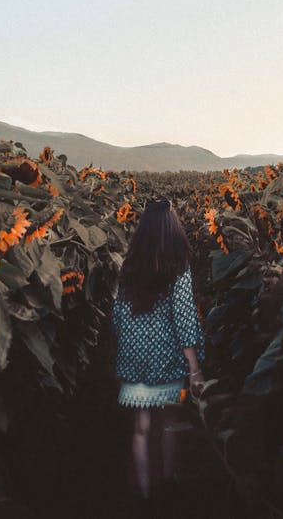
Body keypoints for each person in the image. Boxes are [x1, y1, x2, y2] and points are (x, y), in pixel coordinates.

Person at [111, 198, 205, 502]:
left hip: (134, 360)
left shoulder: (129, 268)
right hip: (167, 361)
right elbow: (184, 319)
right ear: (172, 228)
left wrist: (127, 346)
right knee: (169, 422)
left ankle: (143, 493)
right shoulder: (178, 268)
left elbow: (117, 315)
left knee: (140, 426)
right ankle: (167, 488)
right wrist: (195, 369)